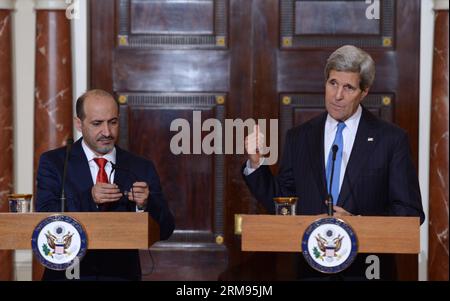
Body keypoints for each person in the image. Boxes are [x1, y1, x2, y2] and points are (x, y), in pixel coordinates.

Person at [243, 45, 425, 280]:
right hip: (311, 272)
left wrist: (359, 225)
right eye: (333, 84)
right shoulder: (299, 137)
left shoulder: (390, 139)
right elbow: (285, 204)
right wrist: (257, 165)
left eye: (348, 87)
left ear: (364, 92)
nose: (337, 95)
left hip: (367, 272)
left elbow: (409, 212)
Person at [36, 89, 175, 281]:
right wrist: (89, 198)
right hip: (68, 274)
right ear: (79, 123)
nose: (107, 132)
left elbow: (166, 228)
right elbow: (44, 218)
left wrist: (145, 204)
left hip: (121, 275)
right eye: (97, 124)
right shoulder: (55, 163)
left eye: (113, 122)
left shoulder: (140, 167)